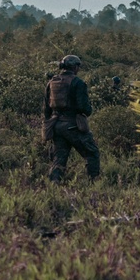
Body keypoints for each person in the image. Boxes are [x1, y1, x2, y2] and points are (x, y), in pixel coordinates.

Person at [43, 54, 100, 183]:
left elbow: (46, 109)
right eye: (78, 66)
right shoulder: (78, 83)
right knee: (92, 154)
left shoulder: (51, 82)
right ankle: (94, 184)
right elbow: (84, 108)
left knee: (59, 158)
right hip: (73, 126)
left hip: (56, 125)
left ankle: (54, 186)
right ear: (74, 67)